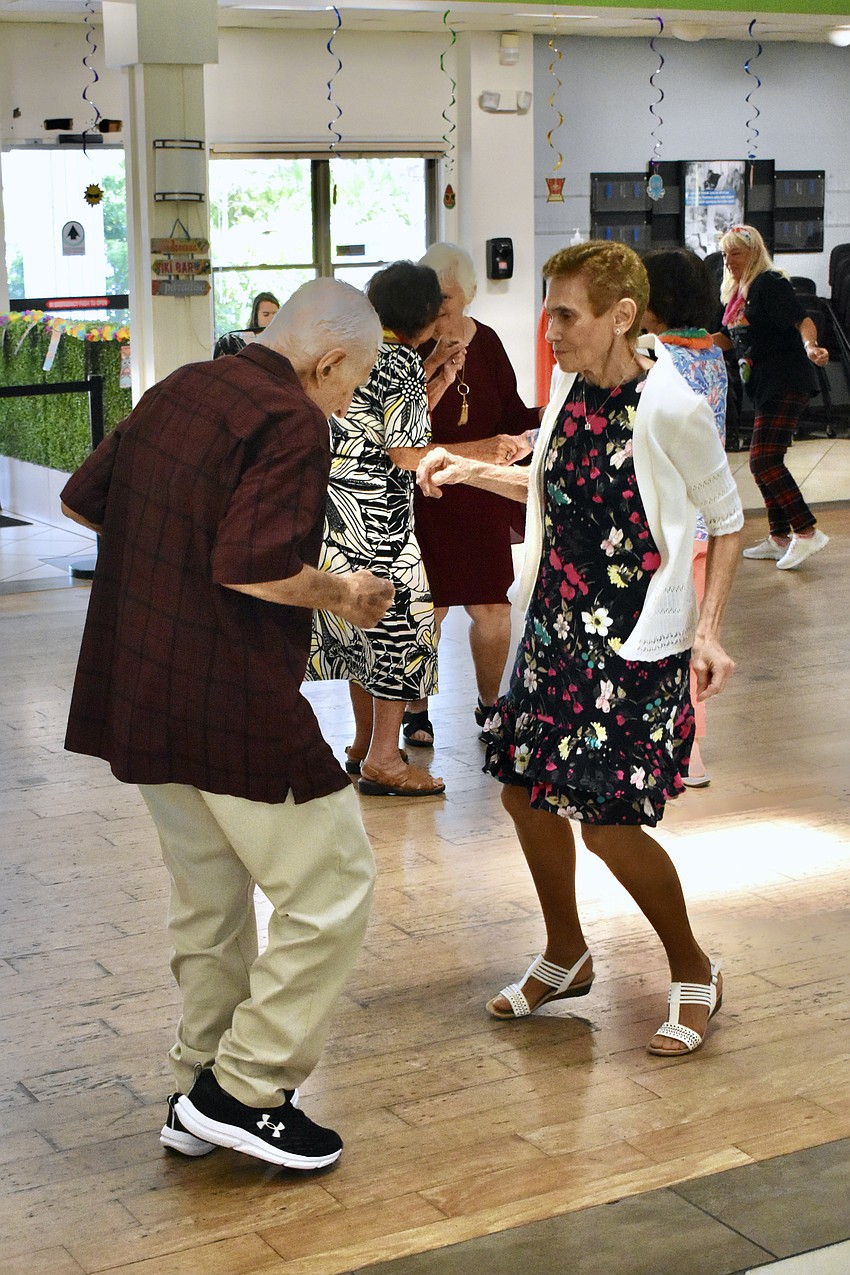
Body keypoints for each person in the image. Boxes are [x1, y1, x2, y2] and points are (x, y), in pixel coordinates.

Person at [60, 278, 394, 1169]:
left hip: (141, 685)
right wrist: (347, 593)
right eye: (351, 385)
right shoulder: (293, 418)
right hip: (230, 695)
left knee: (210, 903)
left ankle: (197, 1085)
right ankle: (246, 1089)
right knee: (333, 889)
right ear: (328, 362)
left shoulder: (180, 386)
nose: (346, 400)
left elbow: (81, 500)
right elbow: (252, 566)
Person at [418, 241, 743, 1057]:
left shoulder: (671, 407)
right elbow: (554, 484)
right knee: (524, 794)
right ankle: (568, 952)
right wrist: (468, 469)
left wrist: (708, 629)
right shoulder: (569, 391)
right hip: (558, 632)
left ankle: (695, 968)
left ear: (620, 316)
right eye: (549, 309)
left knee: (608, 823)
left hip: (635, 645)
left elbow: (729, 519)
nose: (548, 327)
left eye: (566, 313)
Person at [307, 260, 524, 797]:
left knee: (358, 629)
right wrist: (476, 456)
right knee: (397, 632)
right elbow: (405, 453)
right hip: (379, 520)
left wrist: (437, 383)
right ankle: (384, 758)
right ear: (426, 319)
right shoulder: (400, 360)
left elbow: (373, 431)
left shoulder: (348, 351)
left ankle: (360, 746)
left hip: (333, 513)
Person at [403, 242, 540, 751]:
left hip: (479, 492)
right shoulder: (410, 347)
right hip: (427, 492)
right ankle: (417, 709)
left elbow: (510, 410)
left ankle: (489, 706)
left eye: (446, 294)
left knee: (492, 611)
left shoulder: (488, 342)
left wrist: (536, 431)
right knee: (428, 610)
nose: (438, 304)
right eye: (431, 294)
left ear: (466, 294)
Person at [642, 248, 728, 788]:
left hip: (666, 520)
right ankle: (689, 753)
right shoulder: (711, 352)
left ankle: (668, 751)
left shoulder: (659, 359)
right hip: (702, 521)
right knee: (687, 640)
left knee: (660, 642)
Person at [712, 224, 830, 570]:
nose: (729, 260)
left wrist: (811, 346)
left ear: (754, 253)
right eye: (724, 254)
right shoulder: (739, 293)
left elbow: (802, 320)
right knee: (765, 460)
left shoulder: (770, 283)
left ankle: (806, 532)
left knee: (764, 460)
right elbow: (730, 338)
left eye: (736, 252)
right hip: (765, 383)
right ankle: (779, 538)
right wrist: (691, 341)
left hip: (786, 379)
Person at [213, 290, 280, 358]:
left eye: (276, 314)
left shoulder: (283, 342)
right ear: (256, 316)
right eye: (266, 314)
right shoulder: (233, 341)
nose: (272, 319)